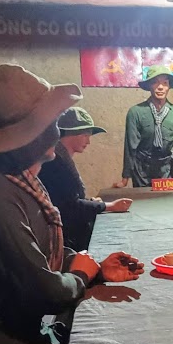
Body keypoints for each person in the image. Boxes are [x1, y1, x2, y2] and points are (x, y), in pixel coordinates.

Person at [0, 64, 144, 344]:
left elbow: (41, 253)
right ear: (33, 134)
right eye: (52, 122)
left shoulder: (22, 183)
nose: (57, 130)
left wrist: (95, 268)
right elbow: (46, 292)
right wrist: (81, 276)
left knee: (113, 337)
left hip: (26, 335)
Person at [39, 107, 132, 252]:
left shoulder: (61, 158)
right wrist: (109, 206)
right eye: (85, 135)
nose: (88, 141)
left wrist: (91, 202)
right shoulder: (55, 164)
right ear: (71, 134)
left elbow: (68, 198)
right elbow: (69, 206)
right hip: (67, 240)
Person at [112, 65, 173, 188]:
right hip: (142, 171)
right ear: (149, 86)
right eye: (155, 82)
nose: (160, 87)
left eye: (165, 83)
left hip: (166, 170)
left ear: (169, 87)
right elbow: (130, 147)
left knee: (167, 199)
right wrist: (125, 178)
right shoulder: (136, 112)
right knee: (143, 199)